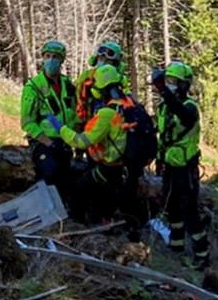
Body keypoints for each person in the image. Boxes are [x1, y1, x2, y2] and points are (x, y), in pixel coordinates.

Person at [54, 63, 156, 236]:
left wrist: (60, 128)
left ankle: (77, 227)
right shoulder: (132, 104)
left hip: (112, 168)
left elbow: (81, 141)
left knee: (80, 187)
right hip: (131, 168)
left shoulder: (107, 114)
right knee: (120, 201)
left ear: (100, 90)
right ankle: (124, 226)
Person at [154, 61, 208, 267]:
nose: (169, 85)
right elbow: (163, 135)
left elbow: (184, 118)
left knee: (189, 210)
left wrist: (164, 91)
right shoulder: (163, 107)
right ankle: (176, 245)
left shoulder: (189, 107)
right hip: (170, 164)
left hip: (186, 168)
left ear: (184, 84)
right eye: (167, 81)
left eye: (174, 81)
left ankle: (202, 253)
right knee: (171, 207)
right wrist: (159, 159)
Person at [21, 39, 78, 195]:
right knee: (50, 175)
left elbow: (74, 113)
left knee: (67, 181)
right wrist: (49, 143)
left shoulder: (68, 85)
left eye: (55, 56)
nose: (51, 60)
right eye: (47, 56)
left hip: (65, 141)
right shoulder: (33, 87)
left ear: (61, 60)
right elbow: (27, 122)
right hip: (43, 142)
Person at [75, 39, 126, 124]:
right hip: (89, 122)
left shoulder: (120, 80)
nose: (103, 62)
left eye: (108, 61)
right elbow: (76, 94)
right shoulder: (87, 76)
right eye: (101, 58)